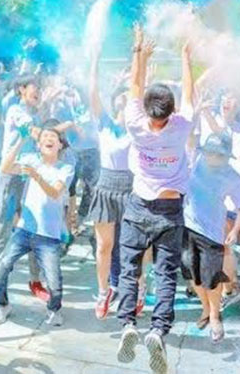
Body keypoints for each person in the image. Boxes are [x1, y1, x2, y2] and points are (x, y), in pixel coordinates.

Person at [116, 29, 195, 374]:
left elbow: (135, 86)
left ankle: (127, 324)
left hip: (138, 205)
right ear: (171, 111)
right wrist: (186, 58)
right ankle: (158, 330)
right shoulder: (181, 126)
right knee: (165, 273)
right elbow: (190, 93)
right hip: (170, 209)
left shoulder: (135, 124)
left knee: (130, 268)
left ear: (148, 109)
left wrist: (140, 53)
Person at [0, 120, 74, 327]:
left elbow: (55, 192)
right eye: (44, 136)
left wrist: (36, 176)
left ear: (60, 145)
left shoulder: (66, 168)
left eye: (53, 137)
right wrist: (21, 140)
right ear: (38, 144)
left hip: (49, 235)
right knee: (2, 267)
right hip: (24, 230)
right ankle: (3, 305)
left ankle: (54, 310)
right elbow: (5, 167)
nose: (48, 139)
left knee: (54, 282)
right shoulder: (30, 159)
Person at [0, 74, 48, 301]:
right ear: (21, 90)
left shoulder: (36, 113)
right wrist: (46, 136)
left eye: (40, 88)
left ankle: (35, 281)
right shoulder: (16, 111)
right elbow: (31, 131)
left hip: (29, 178)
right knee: (4, 229)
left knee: (34, 228)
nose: (38, 92)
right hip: (9, 178)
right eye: (35, 87)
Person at [181, 133, 240, 343]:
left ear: (225, 156)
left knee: (212, 277)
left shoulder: (232, 177)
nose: (212, 157)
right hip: (187, 225)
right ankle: (205, 307)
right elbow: (189, 138)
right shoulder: (196, 160)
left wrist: (234, 231)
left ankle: (215, 316)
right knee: (191, 272)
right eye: (210, 152)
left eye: (218, 154)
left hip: (213, 233)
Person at [88, 46, 132, 319]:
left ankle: (136, 290)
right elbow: (93, 93)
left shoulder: (138, 127)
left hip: (130, 189)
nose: (124, 100)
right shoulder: (104, 123)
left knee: (131, 247)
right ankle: (103, 292)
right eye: (120, 97)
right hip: (106, 186)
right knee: (104, 246)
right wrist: (94, 61)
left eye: (129, 97)